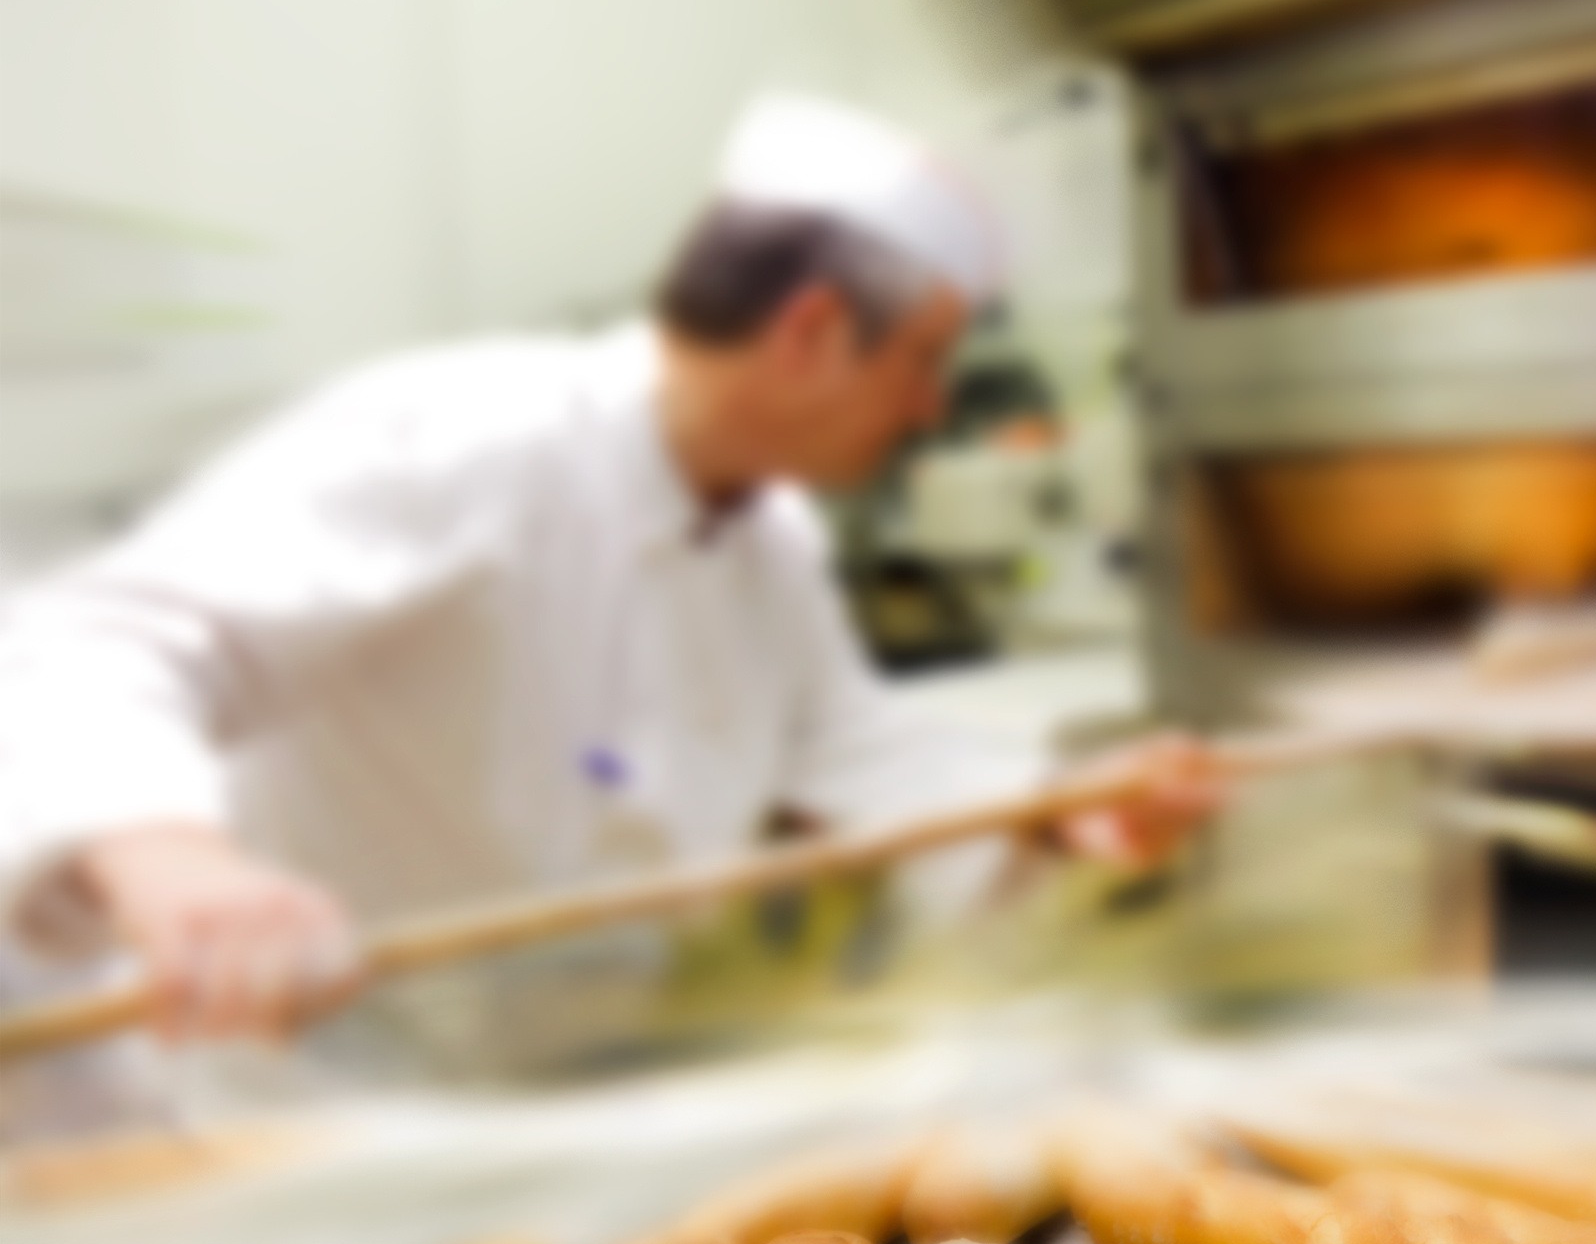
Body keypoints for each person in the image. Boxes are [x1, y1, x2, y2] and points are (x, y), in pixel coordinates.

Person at [0, 95, 1221, 1044]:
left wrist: (1059, 809)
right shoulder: (467, 436)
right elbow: (107, 643)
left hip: (533, 1088)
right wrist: (175, 863)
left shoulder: (763, 534)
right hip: (291, 1091)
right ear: (808, 333)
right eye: (921, 358)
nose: (928, 407)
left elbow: (852, 748)